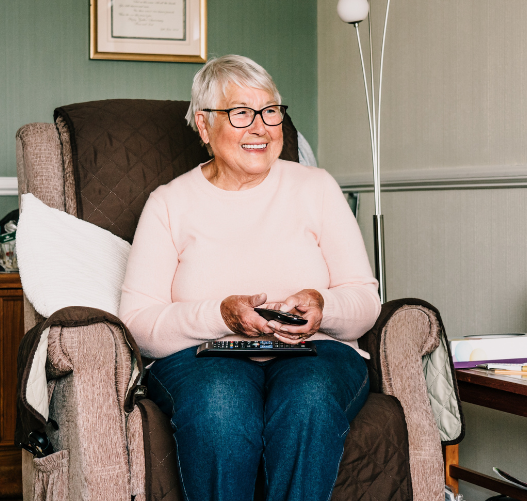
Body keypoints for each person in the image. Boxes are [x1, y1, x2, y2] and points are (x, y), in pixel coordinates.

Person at [119, 55, 381, 501]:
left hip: (315, 352)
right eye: (240, 113)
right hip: (204, 358)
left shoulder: (316, 187)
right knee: (220, 405)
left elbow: (365, 300)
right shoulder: (169, 202)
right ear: (204, 126)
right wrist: (221, 314)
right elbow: (138, 323)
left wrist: (324, 304)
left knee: (308, 399)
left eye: (270, 111)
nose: (260, 127)